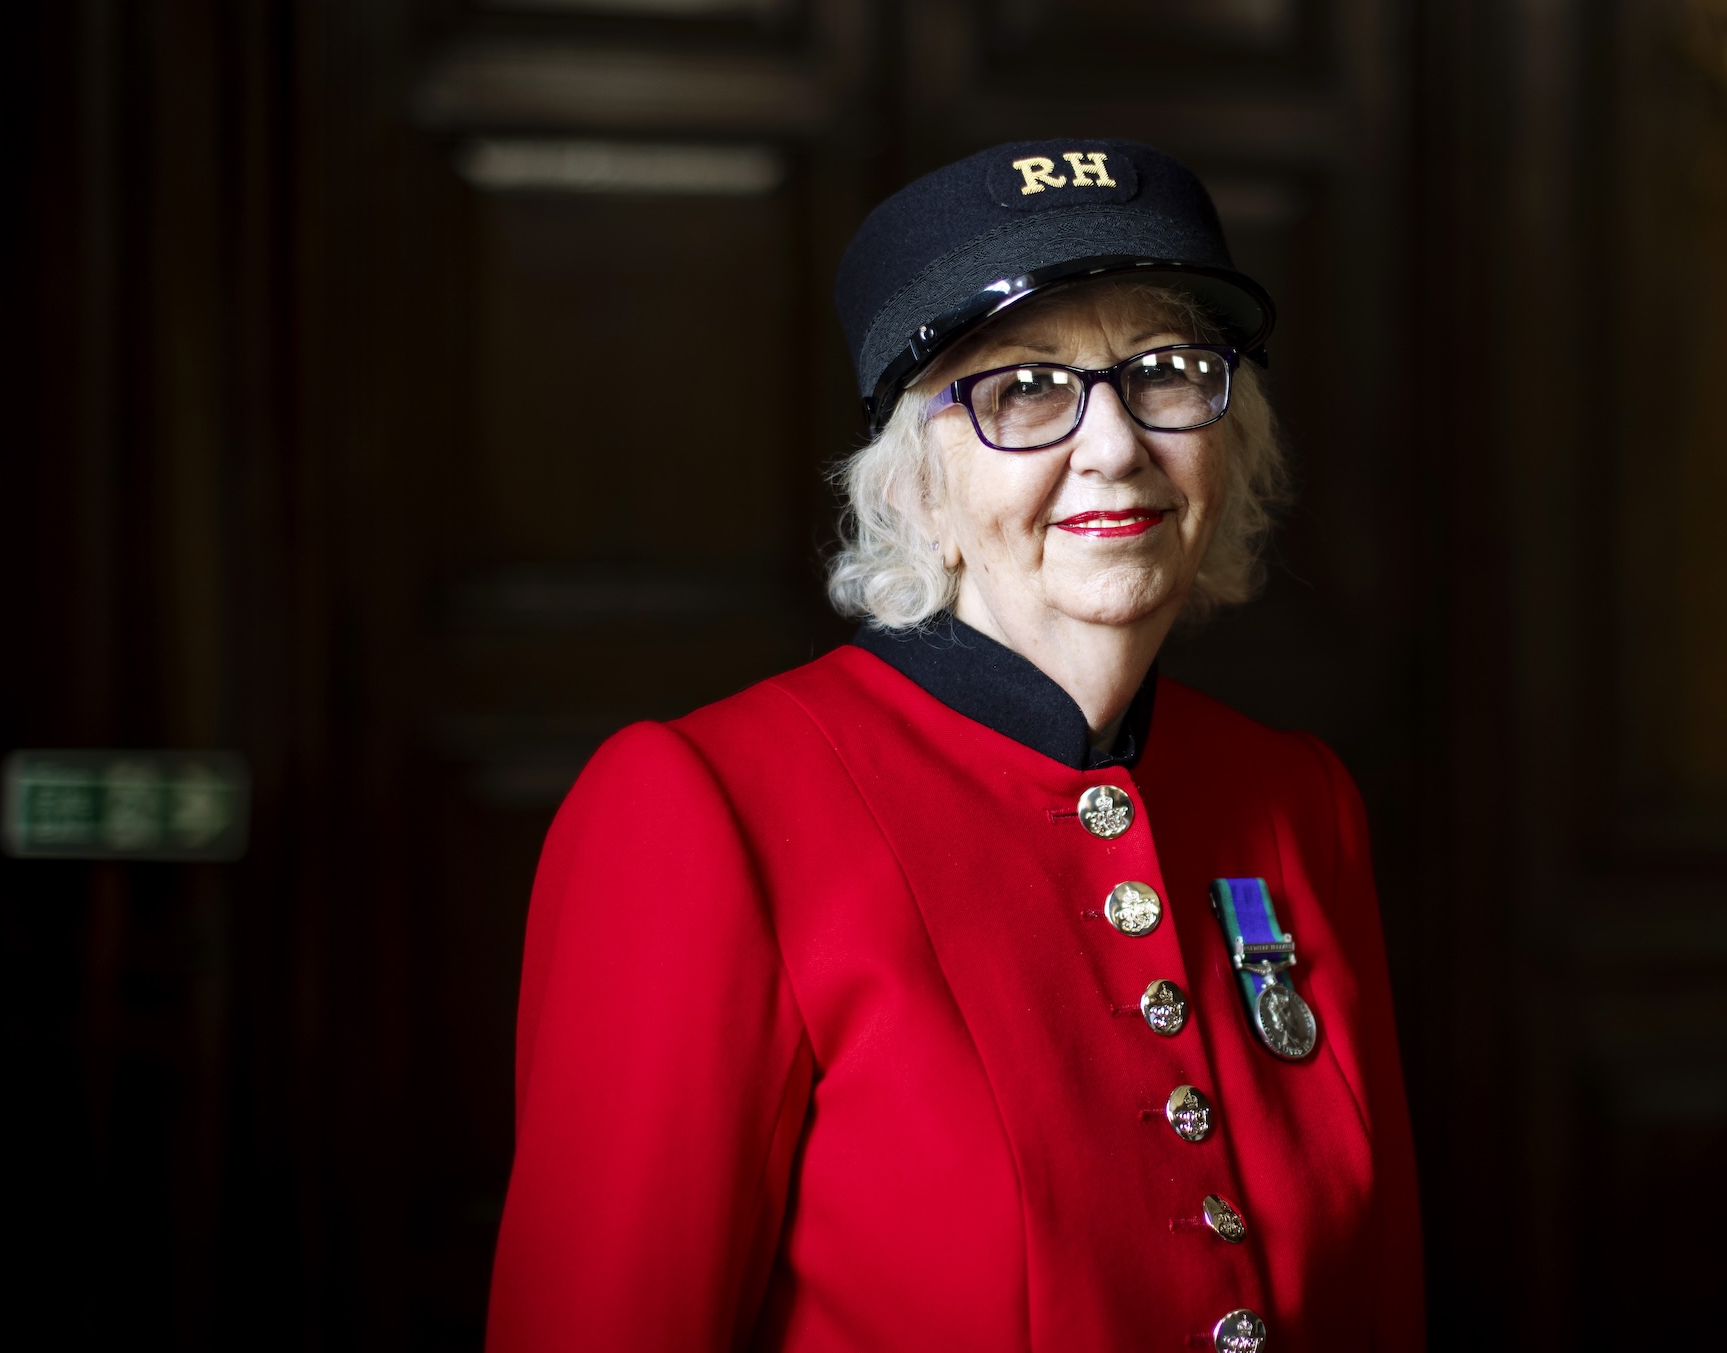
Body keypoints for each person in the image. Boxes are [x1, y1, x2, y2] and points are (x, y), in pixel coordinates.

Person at [484, 140, 1423, 1352]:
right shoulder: (705, 808)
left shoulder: (1296, 799)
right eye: (1024, 388)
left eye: (1168, 371)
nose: (1116, 445)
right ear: (916, 482)